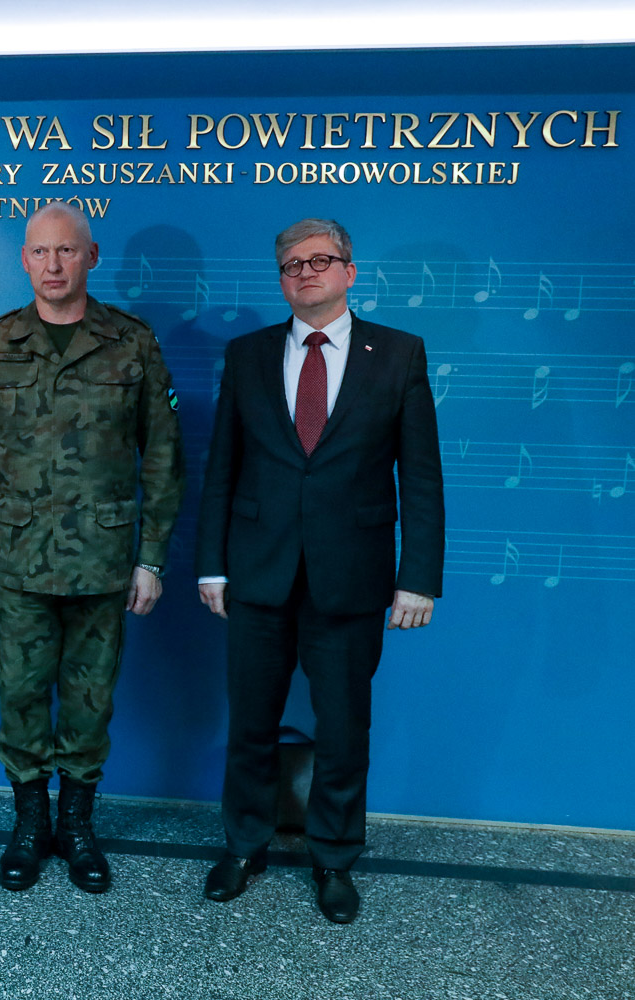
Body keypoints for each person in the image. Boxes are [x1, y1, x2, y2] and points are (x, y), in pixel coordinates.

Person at [195, 218, 444, 923]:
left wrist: (418, 576)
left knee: (342, 729)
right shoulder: (247, 354)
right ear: (281, 279)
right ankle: (244, 846)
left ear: (349, 272)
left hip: (352, 577)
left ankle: (334, 857)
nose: (305, 272)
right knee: (250, 723)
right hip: (257, 572)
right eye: (291, 264)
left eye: (320, 260)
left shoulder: (397, 354)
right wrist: (211, 566)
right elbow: (222, 469)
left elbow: (421, 476)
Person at [0, 202, 185, 894]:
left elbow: (163, 458)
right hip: (18, 562)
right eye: (41, 252)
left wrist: (151, 558)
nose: (53, 265)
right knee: (20, 695)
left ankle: (76, 826)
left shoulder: (131, 343)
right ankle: (29, 824)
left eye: (67, 251)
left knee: (89, 701)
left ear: (91, 256)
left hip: (103, 563)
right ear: (25, 260)